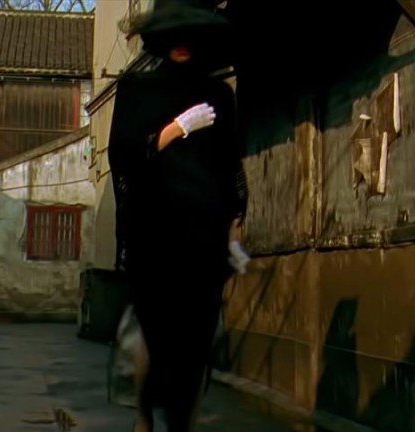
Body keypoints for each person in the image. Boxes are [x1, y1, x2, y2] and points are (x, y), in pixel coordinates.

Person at [106, 1, 246, 431]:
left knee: (196, 341)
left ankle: (182, 421)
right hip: (154, 235)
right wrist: (172, 131)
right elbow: (123, 157)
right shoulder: (137, 90)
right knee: (156, 335)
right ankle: (145, 415)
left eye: (191, 37)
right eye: (173, 36)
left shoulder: (219, 95)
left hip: (204, 237)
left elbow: (230, 166)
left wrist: (233, 228)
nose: (182, 45)